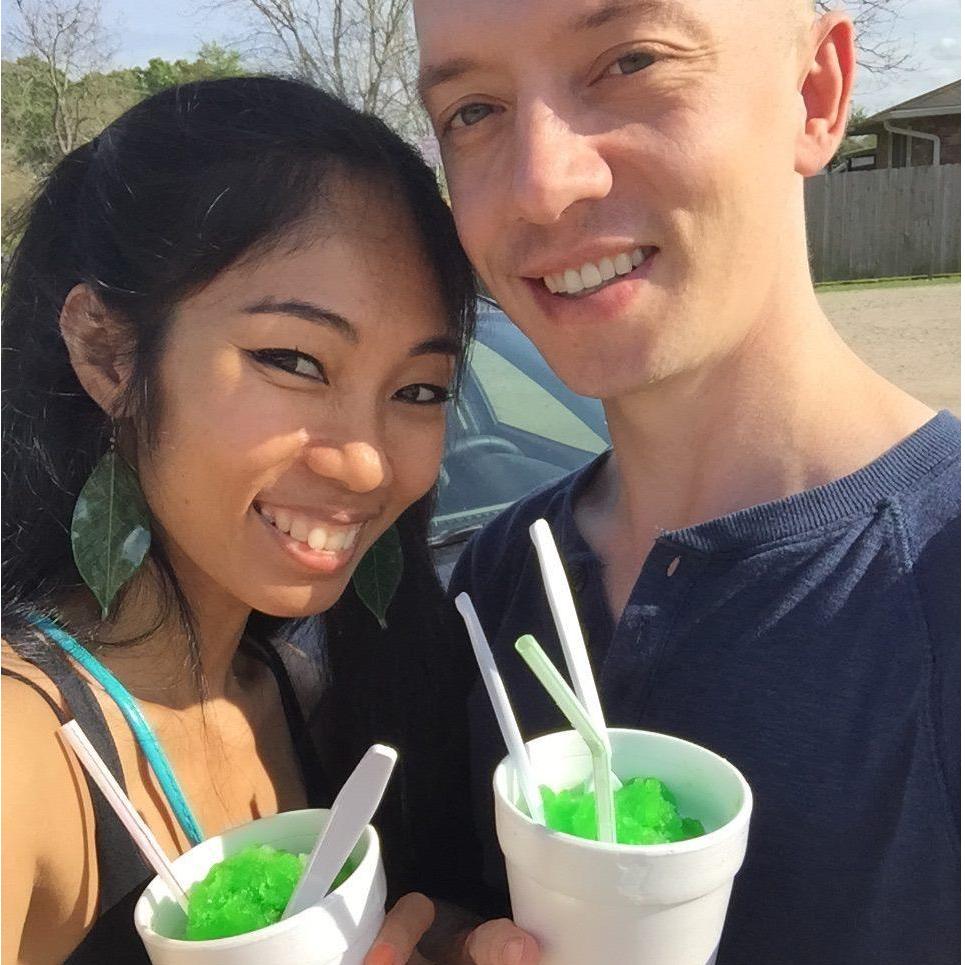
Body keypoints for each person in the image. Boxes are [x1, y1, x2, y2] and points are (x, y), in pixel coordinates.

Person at [393, 0, 960, 962]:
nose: (540, 184)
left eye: (629, 61)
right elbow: (456, 906)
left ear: (814, 94)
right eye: (474, 112)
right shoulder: (498, 578)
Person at [1, 75, 491, 964]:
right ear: (109, 354)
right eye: (294, 360)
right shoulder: (20, 750)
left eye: (418, 389)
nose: (368, 461)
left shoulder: (288, 683)